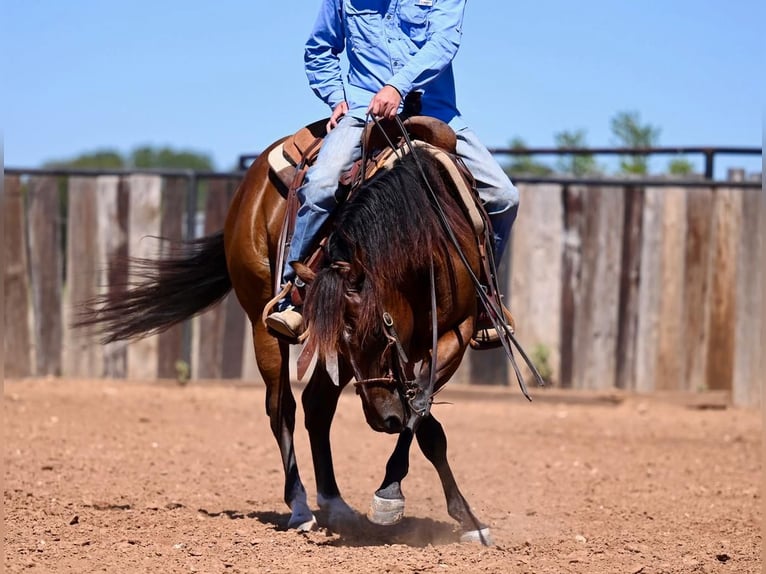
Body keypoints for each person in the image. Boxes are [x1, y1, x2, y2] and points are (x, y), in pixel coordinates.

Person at [266, 0, 519, 339]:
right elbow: (319, 48)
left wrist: (397, 86)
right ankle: (294, 295)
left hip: (436, 114)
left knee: (504, 197)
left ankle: (481, 295)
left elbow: (443, 42)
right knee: (321, 186)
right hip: (362, 114)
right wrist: (335, 96)